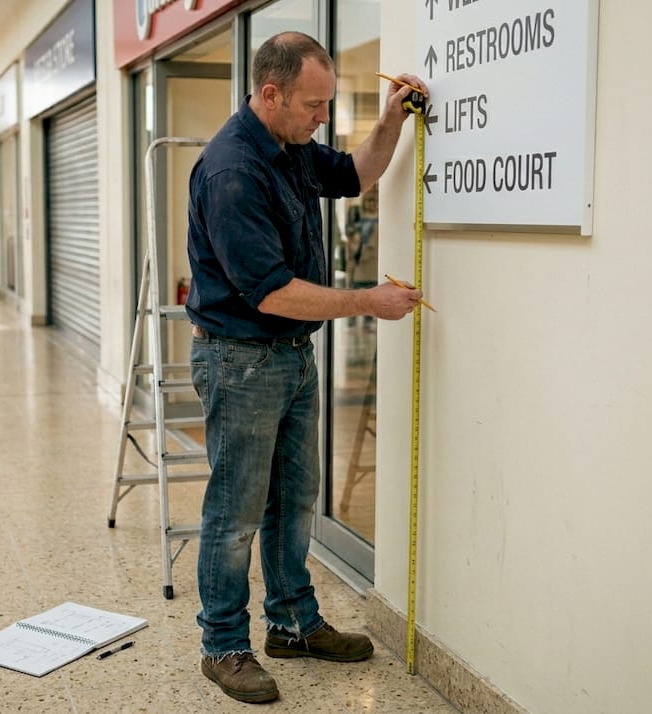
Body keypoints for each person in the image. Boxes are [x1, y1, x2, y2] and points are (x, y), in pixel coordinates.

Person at [185, 31, 427, 704]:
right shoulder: (232, 170)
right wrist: (367, 302)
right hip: (240, 361)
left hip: (290, 357)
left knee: (294, 502)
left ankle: (291, 623)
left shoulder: (290, 147)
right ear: (271, 93)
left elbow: (355, 174)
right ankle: (222, 645)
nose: (322, 116)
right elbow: (270, 290)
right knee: (235, 513)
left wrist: (391, 119)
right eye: (313, 105)